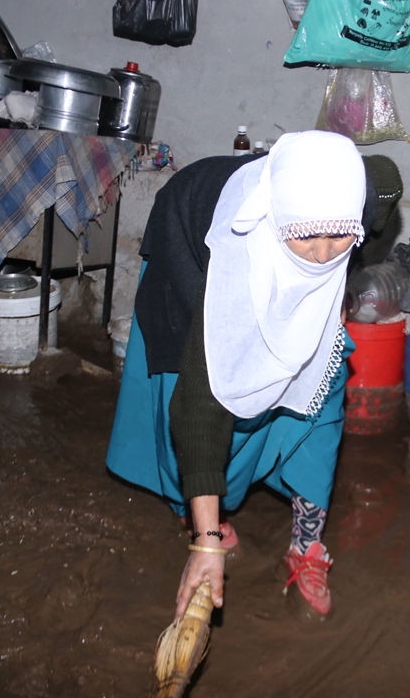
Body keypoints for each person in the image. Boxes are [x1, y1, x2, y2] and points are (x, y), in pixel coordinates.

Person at [107, 130, 371, 620]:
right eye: (307, 236)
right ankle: (201, 515)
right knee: (194, 384)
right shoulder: (234, 260)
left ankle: (306, 544)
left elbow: (379, 189)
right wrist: (207, 547)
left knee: (323, 387)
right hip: (189, 245)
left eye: (340, 236)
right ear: (278, 220)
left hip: (277, 246)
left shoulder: (351, 202)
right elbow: (199, 406)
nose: (322, 254)